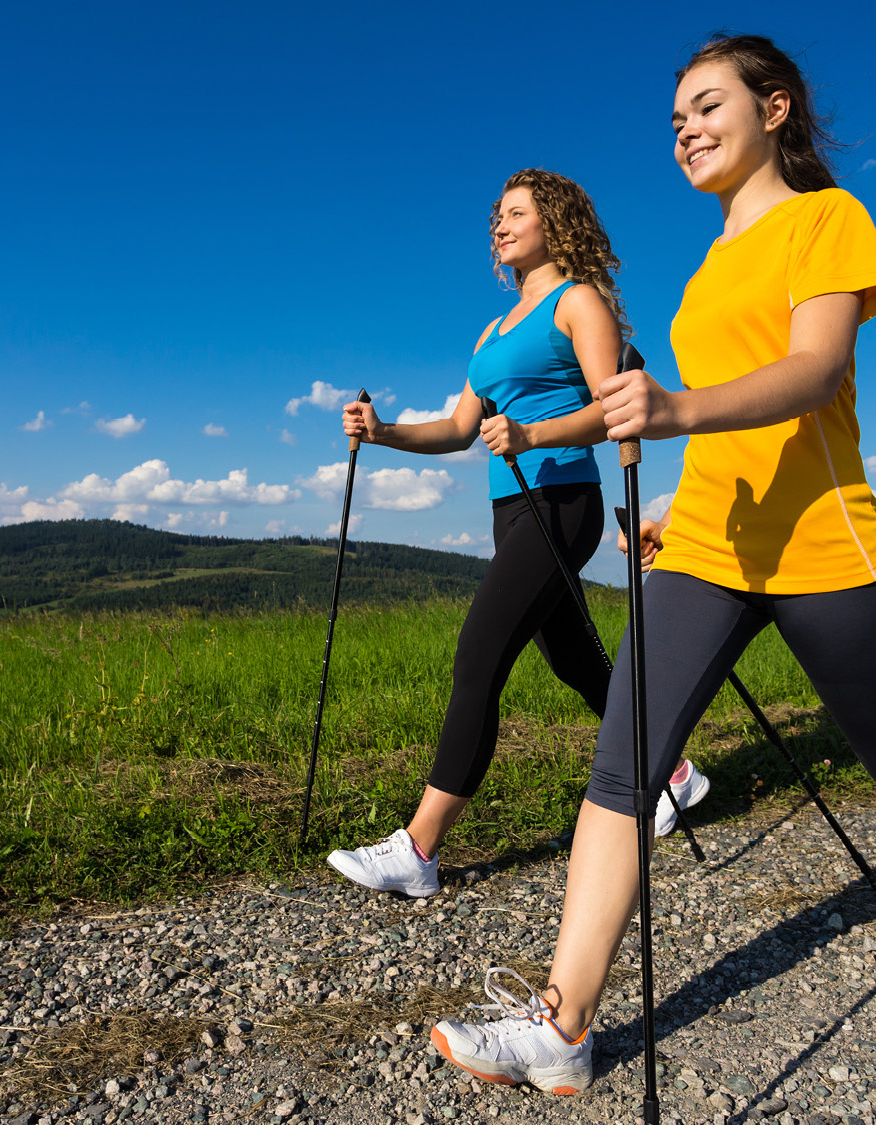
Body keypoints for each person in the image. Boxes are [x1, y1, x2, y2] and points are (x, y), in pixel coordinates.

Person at [429, 35, 876, 1095]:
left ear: (778, 109)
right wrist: (676, 497)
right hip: (710, 547)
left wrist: (669, 408)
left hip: (826, 545)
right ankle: (565, 1025)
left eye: (708, 107)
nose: (687, 131)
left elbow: (811, 375)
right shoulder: (709, 265)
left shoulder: (826, 220)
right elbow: (725, 428)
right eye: (675, 122)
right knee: (620, 771)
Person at [325, 169, 708, 899]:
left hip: (562, 498)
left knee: (479, 656)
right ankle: (675, 774)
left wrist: (532, 432)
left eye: (515, 214)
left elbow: (613, 407)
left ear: (554, 222)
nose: (499, 227)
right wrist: (383, 433)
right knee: (573, 659)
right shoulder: (492, 331)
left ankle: (420, 847)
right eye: (495, 217)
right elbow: (459, 428)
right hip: (513, 510)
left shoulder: (578, 302)